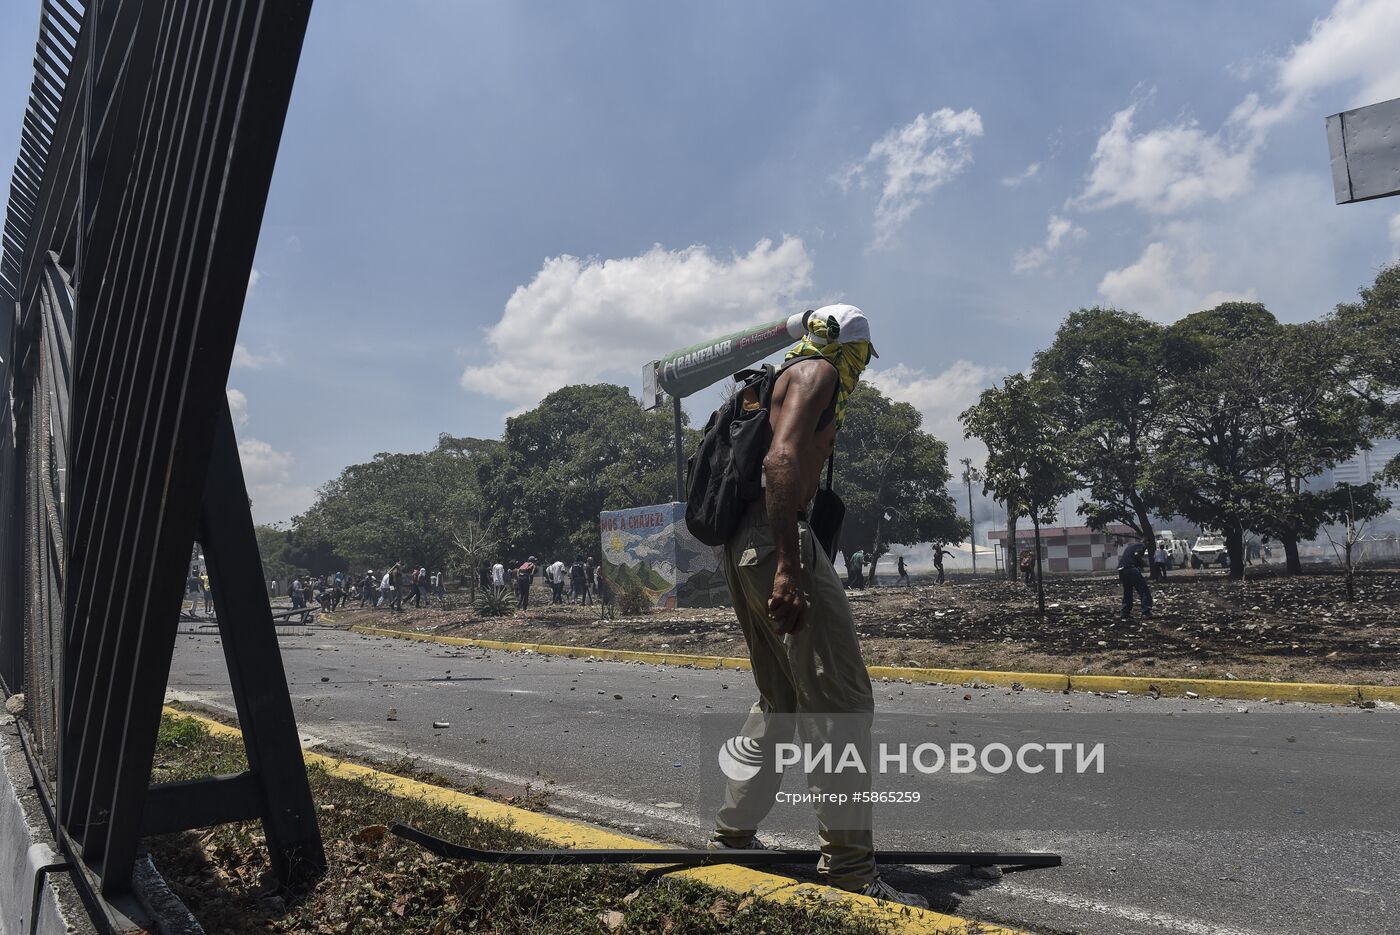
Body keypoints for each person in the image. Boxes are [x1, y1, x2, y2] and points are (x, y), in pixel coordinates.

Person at [709, 305, 924, 908]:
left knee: (781, 700)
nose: (860, 369)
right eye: (862, 356)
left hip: (744, 543)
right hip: (775, 543)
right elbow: (780, 460)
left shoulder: (777, 377)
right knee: (843, 701)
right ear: (849, 346)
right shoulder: (817, 373)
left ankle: (732, 834)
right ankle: (852, 871)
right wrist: (789, 564)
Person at [1118, 538, 1153, 619]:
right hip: (1131, 569)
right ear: (1146, 542)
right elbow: (1137, 555)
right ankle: (1146, 611)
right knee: (1144, 590)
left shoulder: (1130, 546)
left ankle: (1125, 613)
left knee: (1127, 591)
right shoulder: (1142, 545)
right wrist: (1143, 564)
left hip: (1121, 570)